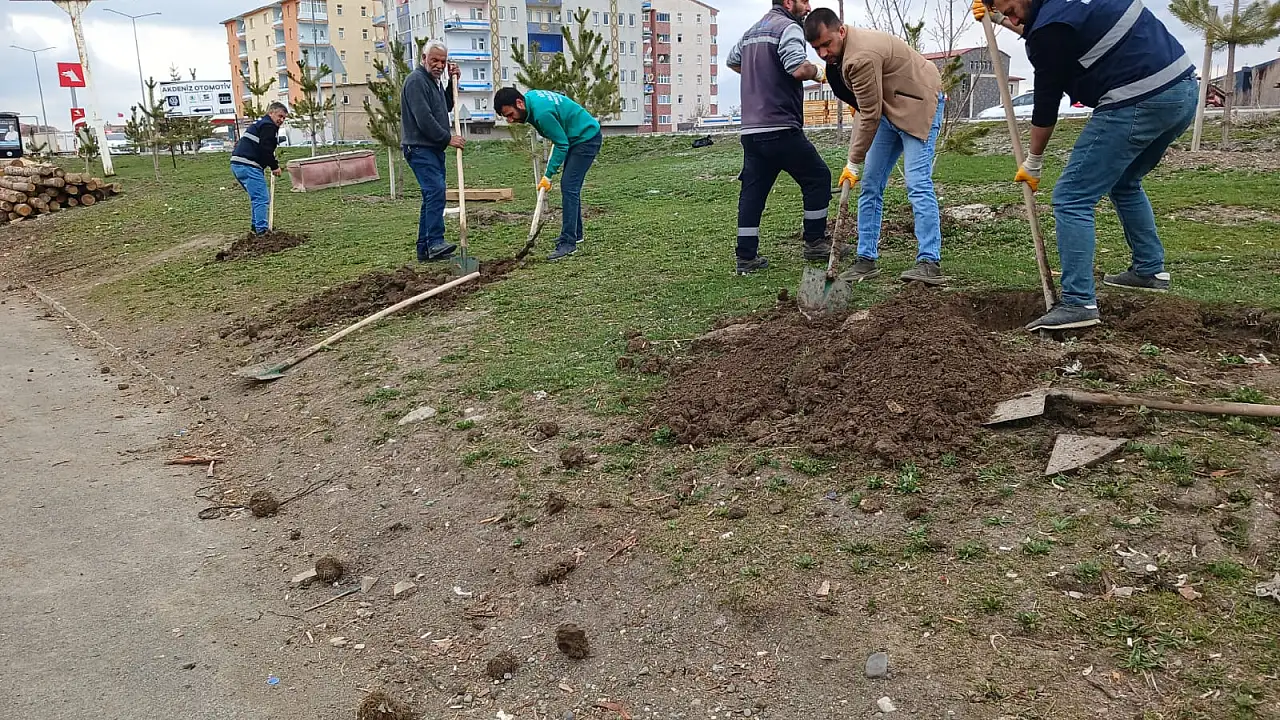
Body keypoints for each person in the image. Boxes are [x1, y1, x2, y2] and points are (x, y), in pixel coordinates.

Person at [974, 0, 1197, 331]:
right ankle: (1149, 269)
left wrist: (1034, 161)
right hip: (1182, 91)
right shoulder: (1065, 10)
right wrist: (998, 19)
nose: (1010, 17)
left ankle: (1078, 303)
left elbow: (1046, 102)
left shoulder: (1049, 29)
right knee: (1125, 182)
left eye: (1006, 8)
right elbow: (1049, 30)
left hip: (1137, 98)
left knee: (1072, 197)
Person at [804, 8, 947, 285]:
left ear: (841, 31)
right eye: (816, 48)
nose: (822, 53)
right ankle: (865, 260)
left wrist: (853, 162)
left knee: (917, 183)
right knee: (870, 184)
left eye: (826, 44)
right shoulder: (839, 59)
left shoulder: (860, 57)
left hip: (919, 104)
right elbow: (864, 110)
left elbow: (869, 114)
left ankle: (929, 261)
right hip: (887, 108)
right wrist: (854, 161)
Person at [727, 0, 836, 276]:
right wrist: (818, 72)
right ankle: (815, 242)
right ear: (788, 2)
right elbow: (797, 68)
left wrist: (761, 74)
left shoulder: (752, 32)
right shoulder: (788, 28)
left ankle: (746, 257)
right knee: (818, 177)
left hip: (751, 131)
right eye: (804, 1)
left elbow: (732, 60)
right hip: (780, 126)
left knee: (753, 192)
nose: (808, 7)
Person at [494, 87, 603, 261]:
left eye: (510, 114)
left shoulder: (542, 114)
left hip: (586, 138)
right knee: (570, 187)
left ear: (519, 103)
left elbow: (561, 145)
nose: (510, 120)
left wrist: (548, 175)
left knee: (569, 187)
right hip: (575, 136)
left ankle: (568, 243)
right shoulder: (530, 98)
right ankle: (576, 234)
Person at [402, 40, 464, 263]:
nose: (439, 65)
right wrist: (448, 138)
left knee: (431, 196)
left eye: (443, 61)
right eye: (434, 60)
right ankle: (436, 241)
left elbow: (443, 107)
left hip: (433, 149)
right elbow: (424, 119)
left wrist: (452, 83)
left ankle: (425, 249)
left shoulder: (434, 82)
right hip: (420, 147)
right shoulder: (416, 81)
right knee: (436, 191)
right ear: (423, 58)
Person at [230, 102, 287, 236]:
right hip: (248, 164)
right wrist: (275, 167)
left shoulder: (261, 124)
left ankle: (256, 227)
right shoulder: (268, 126)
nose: (281, 120)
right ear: (271, 113)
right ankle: (262, 231)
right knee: (261, 198)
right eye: (280, 116)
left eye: (284, 118)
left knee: (257, 198)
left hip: (238, 164)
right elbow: (266, 149)